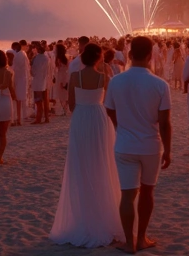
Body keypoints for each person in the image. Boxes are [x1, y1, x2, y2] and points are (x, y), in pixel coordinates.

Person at [51, 43, 125, 247]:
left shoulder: (76, 77)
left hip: (81, 117)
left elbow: (71, 104)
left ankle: (84, 215)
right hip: (99, 117)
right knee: (102, 162)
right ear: (99, 58)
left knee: (81, 164)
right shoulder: (104, 77)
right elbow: (109, 103)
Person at [104, 36, 172, 254]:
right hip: (151, 144)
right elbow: (165, 123)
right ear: (150, 56)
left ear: (130, 54)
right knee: (147, 191)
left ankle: (129, 241)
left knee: (127, 195)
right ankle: (141, 237)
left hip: (125, 143)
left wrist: (119, 125)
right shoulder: (160, 85)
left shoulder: (116, 81)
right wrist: (168, 150)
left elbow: (109, 108)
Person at [32, 42, 52, 124]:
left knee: (38, 101)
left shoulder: (37, 58)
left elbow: (33, 71)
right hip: (45, 81)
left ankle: (38, 118)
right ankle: (46, 118)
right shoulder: (47, 58)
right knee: (45, 100)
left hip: (38, 82)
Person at [12, 41, 30, 125]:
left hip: (19, 79)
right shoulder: (23, 54)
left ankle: (18, 118)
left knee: (18, 99)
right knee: (22, 99)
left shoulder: (18, 55)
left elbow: (15, 68)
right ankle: (21, 117)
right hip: (23, 78)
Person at [53, 44, 70, 116]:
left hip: (61, 77)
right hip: (62, 76)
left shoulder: (60, 59)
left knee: (62, 94)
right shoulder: (64, 58)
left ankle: (65, 109)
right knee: (63, 94)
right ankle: (65, 109)